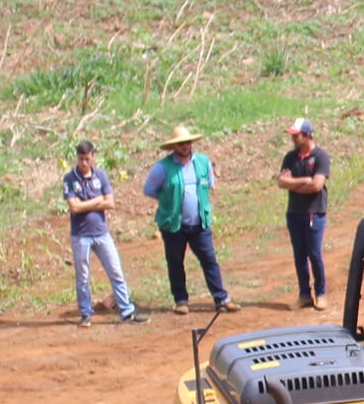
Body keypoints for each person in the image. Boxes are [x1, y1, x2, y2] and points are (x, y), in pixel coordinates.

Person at [142, 125, 239, 315]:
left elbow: (209, 185)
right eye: (180, 144)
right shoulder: (162, 167)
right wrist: (169, 200)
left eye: (187, 142)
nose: (185, 146)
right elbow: (149, 190)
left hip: (199, 222)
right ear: (173, 147)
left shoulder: (202, 162)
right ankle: (181, 300)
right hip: (173, 225)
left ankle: (221, 298)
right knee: (175, 261)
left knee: (209, 259)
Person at [63, 140, 147, 328]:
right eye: (81, 159)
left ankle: (127, 312)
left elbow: (110, 203)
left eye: (87, 159)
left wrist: (88, 203)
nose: (84, 163)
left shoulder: (101, 175)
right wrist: (97, 200)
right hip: (81, 235)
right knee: (82, 276)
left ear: (93, 157)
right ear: (77, 158)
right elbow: (74, 207)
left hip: (101, 233)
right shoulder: (69, 179)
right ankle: (85, 313)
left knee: (115, 271)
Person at [277, 117, 331, 310]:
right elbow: (281, 182)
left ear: (308, 135)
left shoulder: (321, 157)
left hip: (313, 213)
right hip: (294, 213)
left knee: (314, 254)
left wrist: (295, 183)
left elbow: (317, 185)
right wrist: (305, 181)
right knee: (299, 255)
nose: (293, 139)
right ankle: (304, 295)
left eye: (296, 135)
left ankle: (321, 293)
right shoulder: (290, 157)